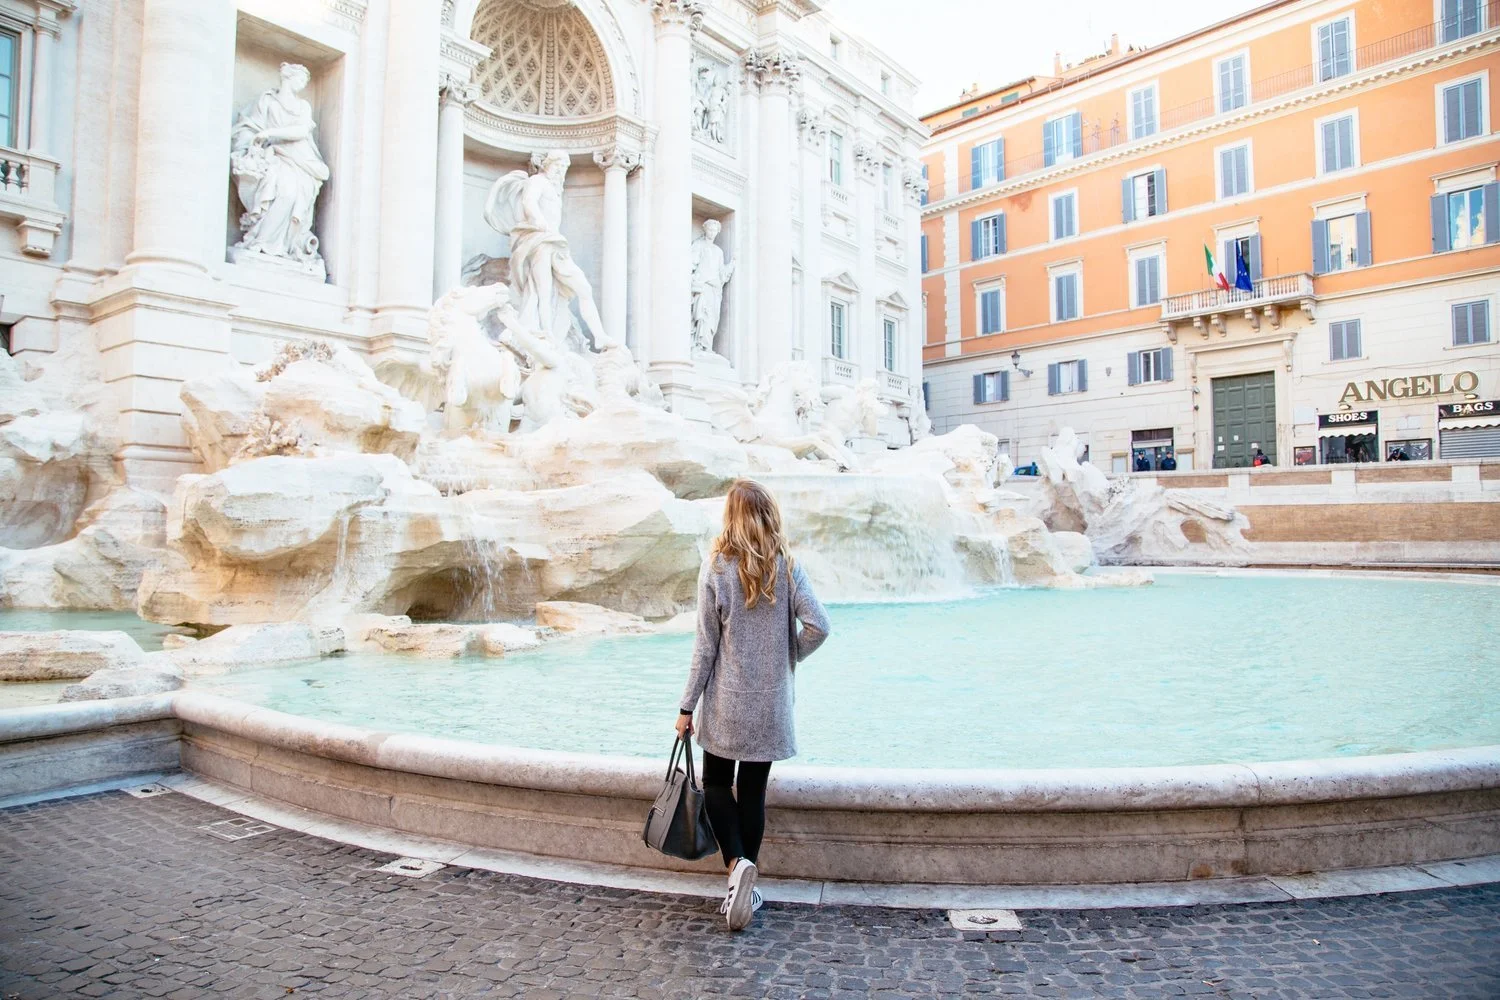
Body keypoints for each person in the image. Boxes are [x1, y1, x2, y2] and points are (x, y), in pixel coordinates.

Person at [676, 479, 831, 932]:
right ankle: (749, 876)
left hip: (726, 701)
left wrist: (686, 707)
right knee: (754, 791)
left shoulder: (717, 568)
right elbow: (819, 626)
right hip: (771, 704)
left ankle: (736, 866)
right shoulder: (787, 567)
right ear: (769, 515)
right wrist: (790, 657)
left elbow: (705, 649)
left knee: (718, 783)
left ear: (732, 518)